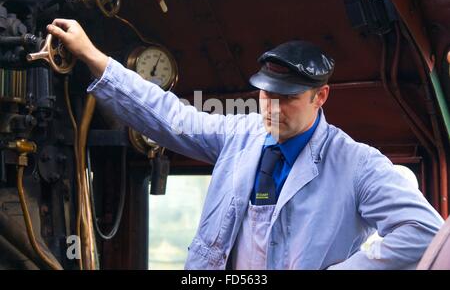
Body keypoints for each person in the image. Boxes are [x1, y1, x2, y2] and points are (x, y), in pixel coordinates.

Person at [47, 19, 444, 270]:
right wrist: (93, 57)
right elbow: (171, 117)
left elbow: (424, 231)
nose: (271, 107)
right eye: (266, 94)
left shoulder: (358, 164)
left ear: (320, 97)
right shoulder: (240, 135)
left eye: (287, 97)